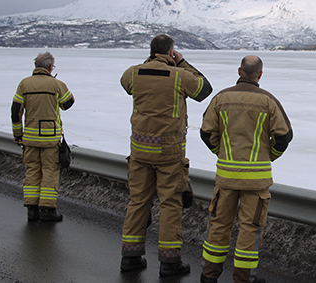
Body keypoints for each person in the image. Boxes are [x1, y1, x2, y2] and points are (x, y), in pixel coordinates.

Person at [119, 34, 213, 277]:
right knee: (170, 203)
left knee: (138, 201)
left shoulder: (132, 73)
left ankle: (130, 256)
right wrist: (181, 63)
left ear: (151, 52)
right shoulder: (180, 77)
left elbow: (127, 83)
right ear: (171, 52)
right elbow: (205, 89)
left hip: (140, 150)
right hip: (169, 153)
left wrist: (151, 61)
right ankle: (169, 262)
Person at [199, 55, 293, 283]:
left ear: (239, 71)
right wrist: (269, 156)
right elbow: (284, 136)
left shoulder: (221, 98)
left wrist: (220, 153)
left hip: (226, 178)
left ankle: (209, 276)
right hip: (256, 180)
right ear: (259, 75)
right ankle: (244, 278)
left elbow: (205, 133)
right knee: (250, 228)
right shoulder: (268, 101)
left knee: (219, 225)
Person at [11, 52, 75, 222]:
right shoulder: (56, 84)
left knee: (32, 171)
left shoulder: (24, 84)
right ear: (50, 67)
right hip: (50, 139)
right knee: (49, 172)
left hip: (30, 139)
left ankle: (31, 210)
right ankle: (47, 211)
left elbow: (15, 112)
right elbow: (68, 103)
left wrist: (18, 134)